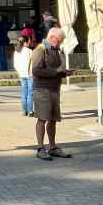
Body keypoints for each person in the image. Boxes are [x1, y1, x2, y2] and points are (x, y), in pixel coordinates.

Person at [30, 27, 72, 161]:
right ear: (53, 37)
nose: (61, 43)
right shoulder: (40, 50)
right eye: (60, 40)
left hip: (54, 89)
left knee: (53, 119)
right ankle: (40, 148)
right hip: (42, 90)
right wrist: (56, 72)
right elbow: (36, 71)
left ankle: (52, 147)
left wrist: (64, 72)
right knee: (42, 118)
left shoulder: (55, 50)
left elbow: (55, 69)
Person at [14, 36, 34, 117]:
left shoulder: (16, 51)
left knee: (24, 93)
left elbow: (15, 64)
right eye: (29, 41)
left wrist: (19, 72)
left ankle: (24, 110)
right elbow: (33, 62)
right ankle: (30, 111)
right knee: (30, 93)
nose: (29, 42)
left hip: (21, 74)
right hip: (29, 74)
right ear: (25, 42)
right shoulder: (29, 51)